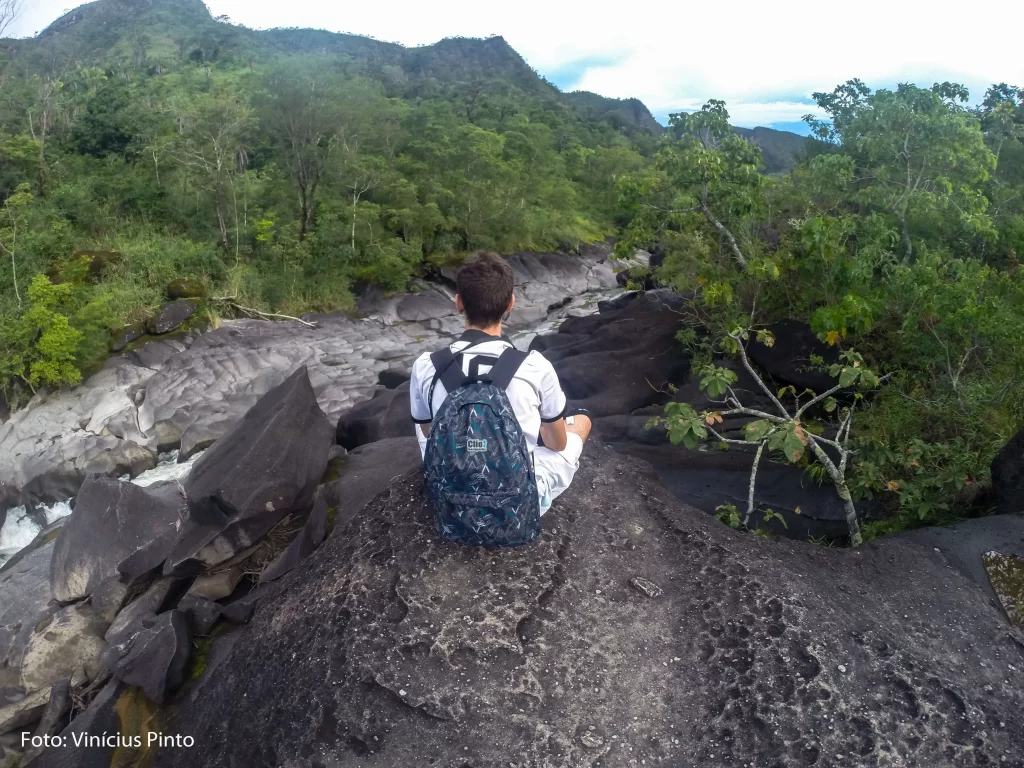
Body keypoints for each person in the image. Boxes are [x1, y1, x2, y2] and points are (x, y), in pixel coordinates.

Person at [410, 252, 592, 529]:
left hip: (450, 496)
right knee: (580, 420)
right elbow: (557, 445)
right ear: (510, 304)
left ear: (459, 303)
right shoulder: (535, 366)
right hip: (517, 500)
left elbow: (428, 433)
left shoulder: (425, 366)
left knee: (421, 423)